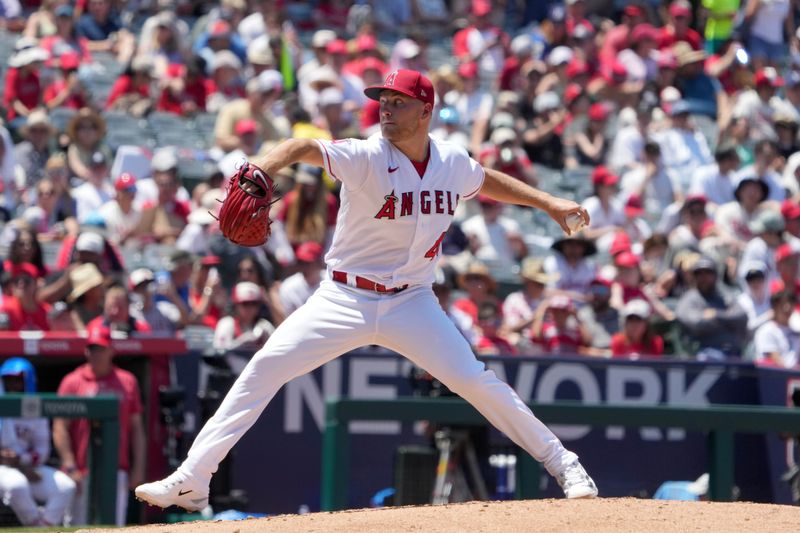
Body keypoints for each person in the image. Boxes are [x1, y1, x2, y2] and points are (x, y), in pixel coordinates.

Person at [135, 68, 597, 510]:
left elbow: (483, 179)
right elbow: (301, 146)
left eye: (399, 102)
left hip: (412, 301)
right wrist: (263, 168)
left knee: (476, 382)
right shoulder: (368, 156)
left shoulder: (452, 161)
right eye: (383, 101)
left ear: (426, 111)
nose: (386, 109)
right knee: (265, 368)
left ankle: (566, 465)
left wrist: (548, 201)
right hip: (344, 298)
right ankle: (194, 478)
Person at [53, 323, 145, 526]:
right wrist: (69, 464)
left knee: (114, 526)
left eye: (101, 349)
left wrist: (138, 467)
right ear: (86, 351)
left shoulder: (127, 381)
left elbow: (137, 428)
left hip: (116, 469)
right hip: (80, 470)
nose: (96, 354)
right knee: (78, 526)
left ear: (111, 350)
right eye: (92, 348)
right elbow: (60, 426)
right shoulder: (72, 381)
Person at [0, 358, 76, 526]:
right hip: (2, 468)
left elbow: (42, 451)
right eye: (8, 380)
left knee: (66, 487)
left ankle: (45, 526)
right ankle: (37, 528)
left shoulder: (36, 412)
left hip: (28, 466)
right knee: (17, 484)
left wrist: (22, 461)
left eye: (18, 380)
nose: (13, 385)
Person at [675, 256, 748, 359]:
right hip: (703, 351)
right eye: (699, 274)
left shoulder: (723, 296)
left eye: (708, 273)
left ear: (715, 276)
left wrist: (716, 315)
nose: (704, 277)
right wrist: (727, 320)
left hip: (732, 351)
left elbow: (742, 316)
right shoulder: (689, 299)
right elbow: (696, 322)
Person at [753, 289, 800, 368]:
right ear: (774, 307)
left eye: (791, 303)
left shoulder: (796, 331)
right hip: (774, 377)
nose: (787, 308)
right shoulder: (766, 331)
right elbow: (776, 361)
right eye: (782, 304)